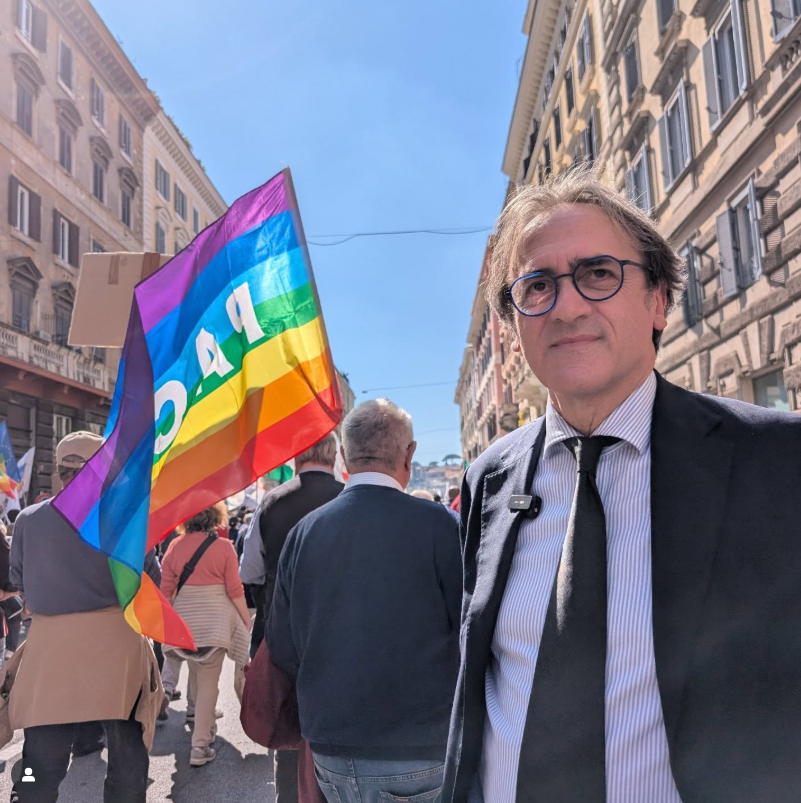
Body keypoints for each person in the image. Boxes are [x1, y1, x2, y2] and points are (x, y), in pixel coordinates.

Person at [441, 169, 801, 803]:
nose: (568, 305)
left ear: (657, 300)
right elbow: (484, 689)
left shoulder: (776, 460)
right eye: (537, 285)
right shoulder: (489, 479)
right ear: (515, 325)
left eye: (598, 274)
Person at [267, 399, 462, 803]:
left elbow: (283, 648)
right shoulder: (440, 525)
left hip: (331, 751)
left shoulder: (304, 533)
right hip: (420, 749)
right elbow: (469, 631)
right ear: (408, 455)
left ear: (344, 457)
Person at [8, 431, 161, 803]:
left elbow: (18, 578)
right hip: (116, 651)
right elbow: (150, 579)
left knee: (38, 762)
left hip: (51, 653)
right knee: (128, 762)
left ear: (59, 471)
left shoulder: (28, 519)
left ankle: (24, 794)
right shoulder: (128, 519)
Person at [239, 432, 344, 803]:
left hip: (280, 635)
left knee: (287, 730)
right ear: (335, 456)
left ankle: (289, 796)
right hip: (339, 638)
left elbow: (249, 571)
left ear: (296, 459)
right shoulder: (348, 498)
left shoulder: (271, 502)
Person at [160, 503, 251, 767]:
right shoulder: (224, 548)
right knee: (209, 681)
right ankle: (200, 746)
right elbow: (235, 589)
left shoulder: (174, 547)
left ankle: (206, 725)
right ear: (215, 518)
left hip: (185, 625)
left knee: (197, 675)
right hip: (216, 623)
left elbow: (165, 590)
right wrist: (245, 620)